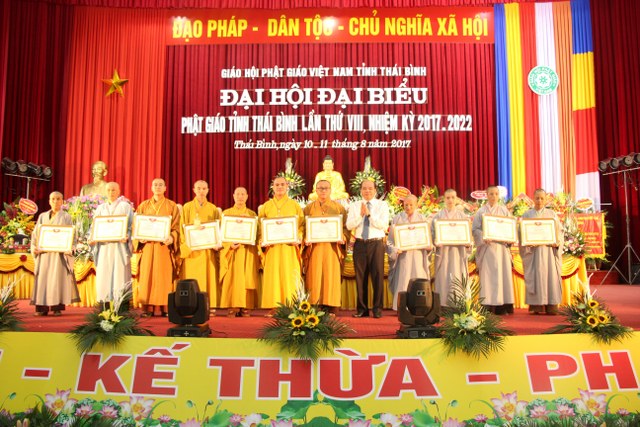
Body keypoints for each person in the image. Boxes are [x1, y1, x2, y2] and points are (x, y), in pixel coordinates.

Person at [133, 178, 180, 317]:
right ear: (151, 188)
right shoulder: (143, 205)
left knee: (163, 276)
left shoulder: (172, 206)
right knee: (147, 276)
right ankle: (147, 308)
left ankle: (165, 308)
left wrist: (172, 237)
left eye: (160, 185)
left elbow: (177, 227)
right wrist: (139, 237)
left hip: (163, 247)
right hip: (147, 246)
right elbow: (136, 226)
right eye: (155, 185)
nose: (158, 187)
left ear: (165, 188)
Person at [258, 176, 304, 315]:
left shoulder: (294, 205)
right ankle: (274, 306)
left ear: (287, 187)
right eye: (277, 185)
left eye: (282, 184)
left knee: (289, 275)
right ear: (272, 187)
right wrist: (262, 239)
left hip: (289, 247)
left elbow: (301, 225)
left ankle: (291, 305)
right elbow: (260, 227)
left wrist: (298, 237)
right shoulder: (266, 206)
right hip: (272, 248)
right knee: (273, 276)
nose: (279, 187)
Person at [303, 180, 349, 315]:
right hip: (315, 248)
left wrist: (343, 237)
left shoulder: (339, 208)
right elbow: (304, 227)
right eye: (320, 188)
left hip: (332, 248)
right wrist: (305, 238)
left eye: (326, 188)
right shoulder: (308, 208)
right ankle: (314, 306)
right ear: (316, 190)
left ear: (330, 190)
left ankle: (331, 306)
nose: (323, 191)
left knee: (331, 276)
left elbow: (345, 228)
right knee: (314, 276)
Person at [30, 191, 80, 315]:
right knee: (43, 281)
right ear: (49, 201)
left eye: (58, 199)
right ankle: (42, 309)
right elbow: (35, 235)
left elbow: (72, 236)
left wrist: (70, 247)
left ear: (62, 201)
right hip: (44, 254)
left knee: (58, 280)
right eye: (53, 199)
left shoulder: (66, 217)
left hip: (59, 255)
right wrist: (34, 247)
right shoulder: (42, 216)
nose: (55, 201)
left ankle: (57, 308)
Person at [346, 179, 390, 318]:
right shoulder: (354, 205)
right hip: (360, 243)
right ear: (360, 190)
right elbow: (349, 225)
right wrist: (360, 215)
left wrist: (369, 215)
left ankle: (377, 309)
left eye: (370, 188)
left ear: (375, 190)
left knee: (377, 277)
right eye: (364, 188)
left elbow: (383, 225)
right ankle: (362, 310)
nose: (367, 191)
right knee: (360, 278)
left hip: (376, 243)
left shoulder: (382, 205)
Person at [179, 180, 221, 314]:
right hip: (192, 251)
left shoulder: (213, 208)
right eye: (199, 188)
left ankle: (209, 305)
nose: (201, 191)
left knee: (208, 278)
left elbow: (218, 228)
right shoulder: (187, 207)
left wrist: (217, 243)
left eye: (204, 188)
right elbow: (182, 228)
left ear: (208, 190)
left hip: (207, 251)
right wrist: (186, 245)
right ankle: (191, 305)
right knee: (192, 278)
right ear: (194, 190)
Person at [519, 188, 564, 315]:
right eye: (537, 198)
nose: (539, 201)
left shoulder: (551, 214)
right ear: (533, 199)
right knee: (535, 276)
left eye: (542, 198)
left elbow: (560, 232)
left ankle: (551, 305)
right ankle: (536, 305)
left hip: (548, 252)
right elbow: (521, 233)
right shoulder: (527, 215)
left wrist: (557, 242)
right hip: (533, 252)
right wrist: (527, 242)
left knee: (551, 276)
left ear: (545, 200)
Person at [472, 185, 515, 315]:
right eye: (491, 194)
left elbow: (511, 228)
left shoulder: (504, 211)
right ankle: (488, 305)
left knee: (502, 276)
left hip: (501, 249)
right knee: (488, 277)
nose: (494, 196)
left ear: (498, 195)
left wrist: (509, 238)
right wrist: (483, 236)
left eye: (496, 194)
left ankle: (503, 306)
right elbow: (475, 229)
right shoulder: (481, 212)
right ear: (487, 195)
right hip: (487, 248)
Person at [219, 187, 260, 317]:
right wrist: (229, 245)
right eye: (238, 194)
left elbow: (258, 233)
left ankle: (246, 305)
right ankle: (232, 305)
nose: (240, 197)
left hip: (247, 250)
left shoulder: (252, 214)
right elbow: (220, 233)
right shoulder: (226, 214)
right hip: (232, 251)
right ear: (233, 196)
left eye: (243, 194)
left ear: (247, 196)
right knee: (232, 277)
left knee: (246, 276)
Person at [89, 182, 133, 303]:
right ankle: (105, 304)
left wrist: (127, 236)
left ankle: (121, 305)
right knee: (104, 274)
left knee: (120, 274)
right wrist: (91, 238)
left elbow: (131, 226)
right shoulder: (100, 208)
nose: (111, 192)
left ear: (119, 191)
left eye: (113, 190)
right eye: (108, 190)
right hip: (104, 247)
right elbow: (94, 227)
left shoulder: (125, 206)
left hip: (120, 247)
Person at [387, 194, 431, 311]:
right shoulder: (397, 219)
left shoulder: (422, 219)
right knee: (404, 279)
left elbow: (428, 240)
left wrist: (429, 246)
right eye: (406, 205)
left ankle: (420, 305)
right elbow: (390, 241)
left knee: (418, 279)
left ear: (416, 205)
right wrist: (395, 250)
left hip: (418, 255)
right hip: (403, 257)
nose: (408, 207)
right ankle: (402, 306)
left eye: (411, 205)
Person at [431, 188, 470, 306]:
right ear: (444, 199)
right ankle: (442, 304)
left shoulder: (463, 216)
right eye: (448, 198)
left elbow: (468, 235)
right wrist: (435, 242)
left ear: (456, 199)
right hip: (443, 252)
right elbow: (432, 233)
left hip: (458, 252)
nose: (450, 200)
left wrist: (468, 243)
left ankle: (459, 304)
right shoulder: (437, 217)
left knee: (458, 274)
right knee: (443, 276)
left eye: (453, 197)